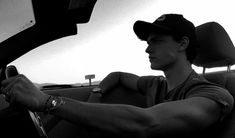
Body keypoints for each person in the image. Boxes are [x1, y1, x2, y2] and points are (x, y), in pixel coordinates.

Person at [1, 14, 234, 137]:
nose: (147, 49)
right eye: (147, 42)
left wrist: (48, 102)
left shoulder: (213, 95)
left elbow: (147, 122)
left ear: (183, 43)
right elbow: (120, 75)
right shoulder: (155, 84)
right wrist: (98, 91)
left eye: (156, 41)